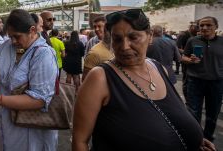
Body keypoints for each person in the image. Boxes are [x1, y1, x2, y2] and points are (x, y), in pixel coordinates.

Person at [72, 9, 216, 151]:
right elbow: (80, 141)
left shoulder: (159, 68)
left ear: (150, 36)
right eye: (117, 39)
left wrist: (193, 138)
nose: (124, 46)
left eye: (133, 37)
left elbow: (169, 117)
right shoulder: (100, 78)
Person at [0, 9, 58, 151]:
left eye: (17, 36)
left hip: (33, 129)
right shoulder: (6, 46)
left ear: (32, 30)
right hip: (9, 125)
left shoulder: (43, 54)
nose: (13, 41)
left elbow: (39, 99)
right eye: (10, 37)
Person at [181, 16, 223, 142]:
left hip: (217, 82)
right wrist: (190, 60)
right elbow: (183, 57)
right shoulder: (192, 40)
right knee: (193, 111)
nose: (205, 28)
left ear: (216, 27)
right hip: (195, 81)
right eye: (202, 25)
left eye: (209, 25)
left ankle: (208, 137)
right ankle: (195, 137)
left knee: (213, 112)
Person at [176, 23, 198, 101]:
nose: (199, 29)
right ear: (191, 27)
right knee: (186, 80)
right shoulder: (183, 35)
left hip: (196, 62)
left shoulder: (196, 35)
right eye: (197, 27)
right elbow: (177, 48)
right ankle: (187, 100)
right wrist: (187, 53)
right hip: (186, 60)